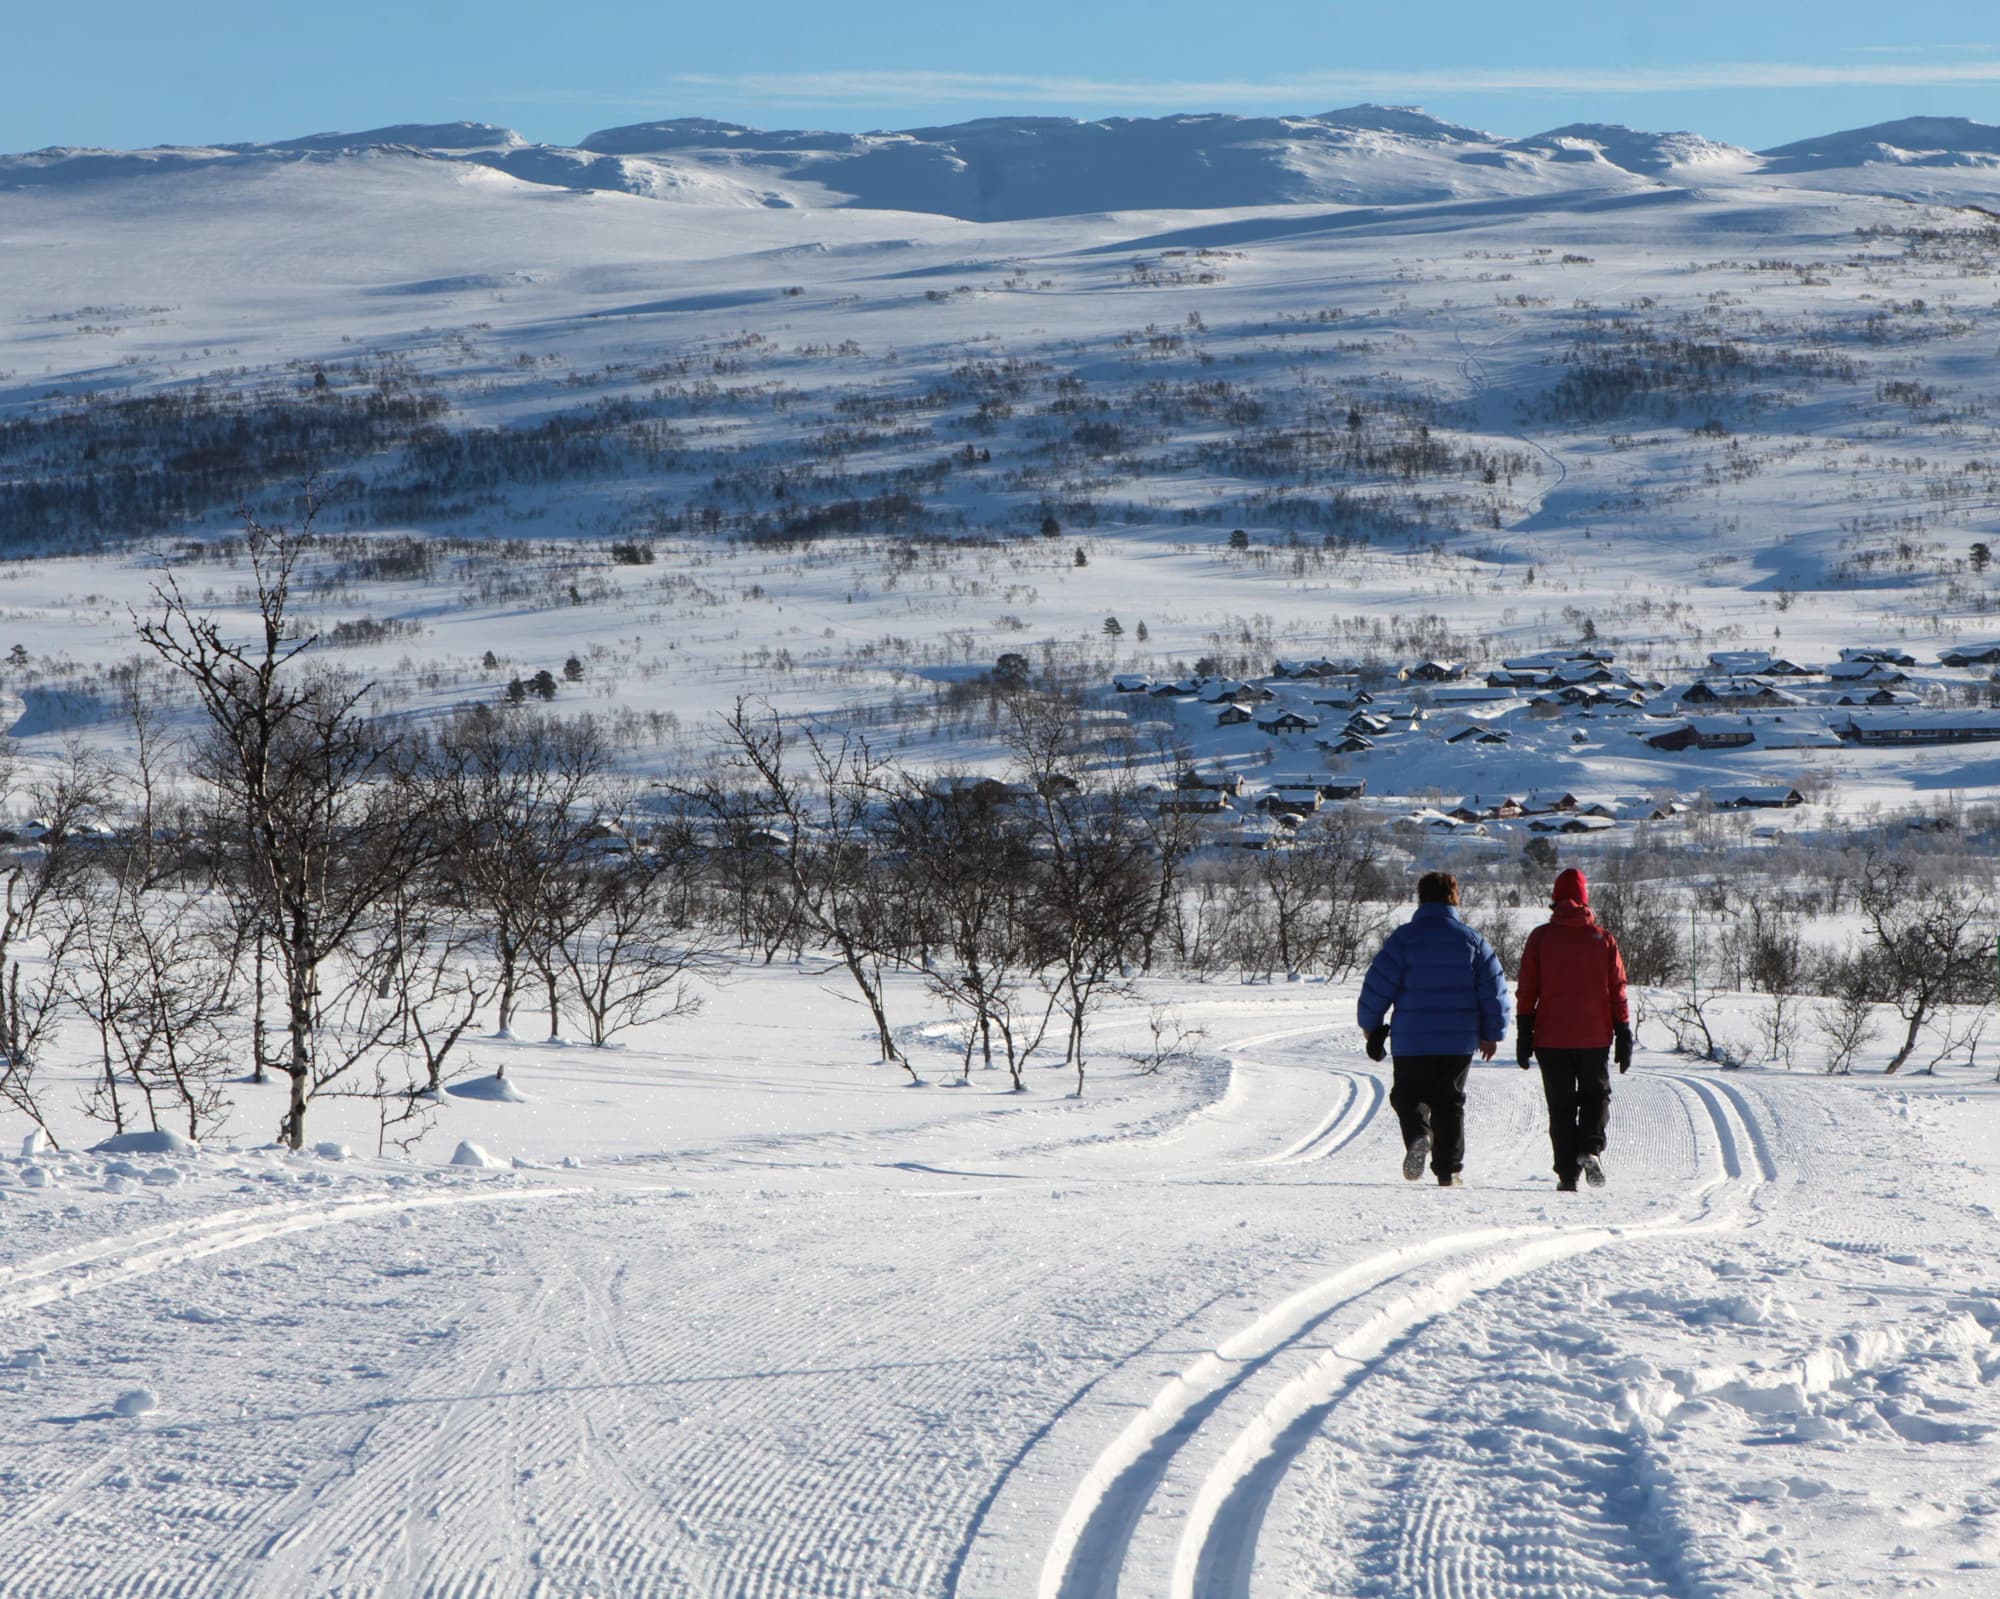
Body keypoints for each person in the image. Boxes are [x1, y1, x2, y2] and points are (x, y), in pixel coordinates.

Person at [1356, 871, 1509, 1187]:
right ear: (1454, 897)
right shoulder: (1472, 941)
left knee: (1407, 1096)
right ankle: (1448, 1170)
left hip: (1411, 1039)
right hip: (1458, 1040)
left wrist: (1370, 1025)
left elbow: (1378, 985)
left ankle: (1418, 1135)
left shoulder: (1403, 939)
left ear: (1420, 897)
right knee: (1449, 1102)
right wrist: (1492, 1033)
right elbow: (1493, 990)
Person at [1515, 867, 1632, 1192]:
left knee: (1561, 1106)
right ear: (1585, 899)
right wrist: (1623, 1030)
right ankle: (1591, 1148)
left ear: (1555, 898)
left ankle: (1567, 1175)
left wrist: (1524, 1032)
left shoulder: (1540, 938)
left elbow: (1527, 988)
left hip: (1550, 1038)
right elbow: (1618, 988)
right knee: (1596, 1097)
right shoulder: (1602, 939)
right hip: (1594, 1036)